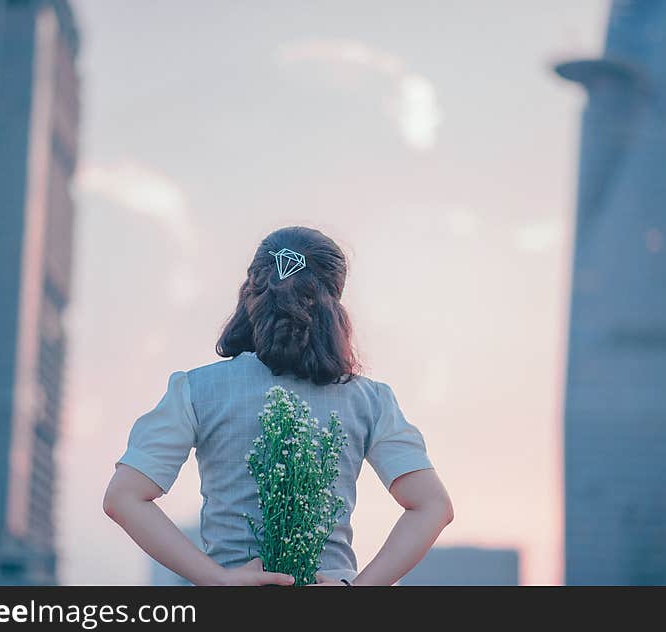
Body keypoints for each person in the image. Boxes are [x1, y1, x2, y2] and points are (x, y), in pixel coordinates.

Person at [103, 226, 453, 586]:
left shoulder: (195, 388)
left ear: (249, 293)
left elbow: (123, 497)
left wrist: (217, 579)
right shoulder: (371, 400)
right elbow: (433, 506)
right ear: (335, 306)